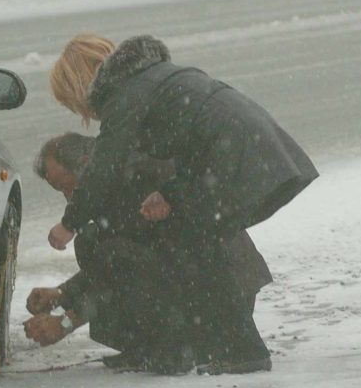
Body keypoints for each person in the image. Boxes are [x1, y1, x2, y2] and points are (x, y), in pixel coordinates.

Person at [45, 34, 318, 374]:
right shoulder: (148, 79)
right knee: (197, 245)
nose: (83, 113)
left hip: (234, 154)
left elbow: (105, 167)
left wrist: (69, 223)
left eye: (74, 103)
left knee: (199, 249)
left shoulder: (125, 95)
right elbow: (187, 146)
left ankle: (236, 352)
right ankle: (212, 348)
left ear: (81, 84)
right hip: (247, 145)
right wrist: (170, 195)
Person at [24, 132, 272, 373]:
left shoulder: (132, 179)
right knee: (95, 245)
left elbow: (120, 267)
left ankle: (172, 349)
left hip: (220, 289)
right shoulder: (116, 173)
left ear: (87, 165)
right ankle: (152, 347)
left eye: (67, 187)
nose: (69, 198)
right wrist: (61, 294)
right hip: (200, 279)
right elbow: (119, 265)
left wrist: (66, 322)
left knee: (96, 246)